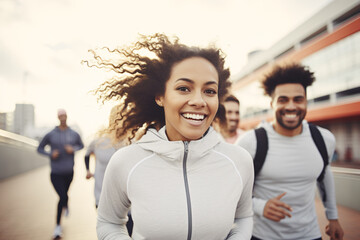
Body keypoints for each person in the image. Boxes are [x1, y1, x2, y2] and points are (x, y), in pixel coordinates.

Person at [89, 33, 254, 240]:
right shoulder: (126, 162)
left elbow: (244, 217)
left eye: (209, 91)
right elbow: (109, 223)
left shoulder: (239, 160)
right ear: (160, 96)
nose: (198, 101)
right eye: (184, 88)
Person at [236, 63, 344, 240]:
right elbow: (233, 189)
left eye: (298, 99)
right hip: (262, 236)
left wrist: (333, 217)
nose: (291, 107)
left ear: (305, 102)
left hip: (310, 235)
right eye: (283, 100)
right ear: (272, 104)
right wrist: (259, 206)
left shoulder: (324, 139)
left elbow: (325, 176)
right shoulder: (251, 142)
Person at [84, 105, 133, 235]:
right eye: (117, 117)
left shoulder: (133, 141)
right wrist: (87, 170)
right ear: (111, 118)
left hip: (129, 203)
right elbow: (87, 153)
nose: (120, 120)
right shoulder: (99, 140)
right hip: (102, 198)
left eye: (123, 116)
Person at [37, 109, 84, 239]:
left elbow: (81, 145)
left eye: (64, 115)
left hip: (69, 172)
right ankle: (57, 227)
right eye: (60, 116)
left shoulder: (74, 133)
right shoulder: (51, 134)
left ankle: (65, 203)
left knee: (65, 195)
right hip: (56, 172)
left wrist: (73, 149)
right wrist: (50, 154)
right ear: (58, 117)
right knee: (62, 197)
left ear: (67, 116)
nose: (63, 117)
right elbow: (39, 148)